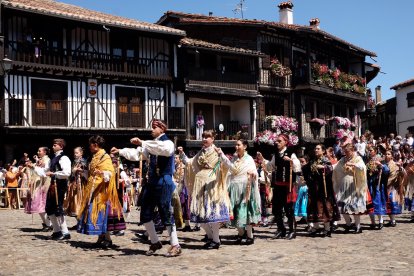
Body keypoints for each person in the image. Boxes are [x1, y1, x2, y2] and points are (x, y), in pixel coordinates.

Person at [111, 119, 182, 257]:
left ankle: (175, 244)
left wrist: (143, 142)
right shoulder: (150, 145)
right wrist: (120, 151)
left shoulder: (168, 143)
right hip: (152, 182)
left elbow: (163, 149)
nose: (152, 130)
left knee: (165, 212)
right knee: (145, 213)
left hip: (164, 180)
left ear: (162, 129)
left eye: (155, 127)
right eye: (152, 127)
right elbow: (137, 154)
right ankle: (155, 242)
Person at [178, 130, 230, 249]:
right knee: (200, 217)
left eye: (208, 137)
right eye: (203, 137)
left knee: (213, 215)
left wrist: (221, 155)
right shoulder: (201, 152)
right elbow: (190, 163)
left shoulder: (217, 151)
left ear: (213, 139)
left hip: (213, 186)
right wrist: (182, 154)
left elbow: (227, 165)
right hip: (200, 186)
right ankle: (212, 237)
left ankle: (216, 240)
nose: (205, 139)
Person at [77, 135, 122, 248]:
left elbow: (110, 173)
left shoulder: (105, 157)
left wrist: (102, 174)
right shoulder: (95, 156)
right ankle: (102, 237)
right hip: (93, 189)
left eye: (90, 145)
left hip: (102, 191)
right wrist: (83, 172)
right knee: (97, 214)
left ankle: (107, 239)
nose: (89, 147)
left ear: (95, 145)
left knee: (102, 214)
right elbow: (92, 173)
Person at [217, 139, 261, 245]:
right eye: (235, 145)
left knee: (245, 211)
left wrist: (253, 174)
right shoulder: (234, 159)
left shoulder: (249, 159)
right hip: (234, 188)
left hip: (245, 188)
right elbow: (230, 170)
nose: (236, 147)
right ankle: (241, 234)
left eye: (238, 145)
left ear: (245, 146)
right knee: (235, 212)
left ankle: (250, 236)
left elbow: (254, 172)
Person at [266, 134, 301, 240]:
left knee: (289, 209)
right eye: (276, 141)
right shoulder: (276, 154)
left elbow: (297, 167)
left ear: (285, 142)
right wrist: (263, 161)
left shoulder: (291, 153)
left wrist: (290, 161)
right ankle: (281, 229)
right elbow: (270, 166)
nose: (277, 142)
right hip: (278, 185)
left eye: (279, 141)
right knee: (276, 209)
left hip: (287, 186)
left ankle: (292, 231)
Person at [303, 145, 339, 237]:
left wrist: (323, 168)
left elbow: (330, 169)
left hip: (324, 188)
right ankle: (316, 227)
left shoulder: (326, 160)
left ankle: (327, 229)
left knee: (324, 207)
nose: (316, 150)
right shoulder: (313, 160)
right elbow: (306, 168)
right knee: (313, 207)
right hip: (314, 187)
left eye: (318, 149)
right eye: (315, 148)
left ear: (323, 151)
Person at [333, 143, 368, 234]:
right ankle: (348, 224)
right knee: (342, 206)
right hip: (344, 184)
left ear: (352, 151)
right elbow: (336, 167)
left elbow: (363, 167)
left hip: (354, 184)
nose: (346, 153)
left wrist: (353, 164)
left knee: (354, 206)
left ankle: (358, 227)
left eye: (348, 152)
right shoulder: (343, 159)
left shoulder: (358, 158)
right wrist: (328, 167)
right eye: (345, 152)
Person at [45, 138, 72, 240]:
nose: (53, 146)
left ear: (61, 146)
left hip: (60, 185)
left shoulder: (64, 158)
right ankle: (57, 231)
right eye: (53, 145)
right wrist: (34, 167)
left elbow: (67, 173)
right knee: (49, 207)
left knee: (58, 208)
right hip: (53, 185)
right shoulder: (53, 158)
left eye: (55, 145)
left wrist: (54, 174)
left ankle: (65, 232)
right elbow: (45, 171)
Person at [25, 147, 52, 231]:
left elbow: (44, 171)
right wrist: (32, 165)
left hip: (44, 184)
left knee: (41, 204)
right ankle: (46, 223)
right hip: (38, 184)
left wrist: (33, 166)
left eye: (40, 151)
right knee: (38, 204)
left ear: (45, 152)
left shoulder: (47, 160)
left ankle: (49, 224)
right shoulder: (41, 160)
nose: (38, 152)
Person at [366, 146, 388, 229]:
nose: (369, 152)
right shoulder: (368, 160)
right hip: (370, 184)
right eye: (369, 150)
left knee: (378, 202)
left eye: (371, 150)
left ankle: (381, 221)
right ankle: (373, 222)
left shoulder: (380, 159)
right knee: (370, 203)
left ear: (375, 151)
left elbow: (386, 170)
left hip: (377, 184)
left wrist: (381, 166)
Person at [384, 150, 406, 226]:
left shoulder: (394, 165)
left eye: (388, 154)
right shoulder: (384, 164)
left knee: (391, 203)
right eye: (385, 154)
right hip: (385, 186)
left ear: (392, 156)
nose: (386, 155)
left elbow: (394, 177)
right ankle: (391, 220)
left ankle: (393, 221)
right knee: (387, 204)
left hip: (391, 187)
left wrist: (384, 185)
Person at [65, 147, 87, 218]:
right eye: (74, 153)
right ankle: (78, 222)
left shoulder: (84, 162)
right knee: (74, 201)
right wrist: (73, 171)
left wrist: (81, 171)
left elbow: (87, 172)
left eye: (77, 153)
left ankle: (81, 222)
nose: (75, 154)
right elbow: (72, 173)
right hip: (74, 183)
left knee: (80, 201)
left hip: (82, 184)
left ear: (81, 153)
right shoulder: (74, 162)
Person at [255, 152, 271, 226]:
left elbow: (266, 177)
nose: (258, 156)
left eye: (260, 154)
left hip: (263, 185)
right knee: (257, 202)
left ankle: (265, 218)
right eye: (257, 155)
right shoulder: (255, 163)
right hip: (255, 186)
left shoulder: (266, 163)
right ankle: (258, 218)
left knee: (263, 201)